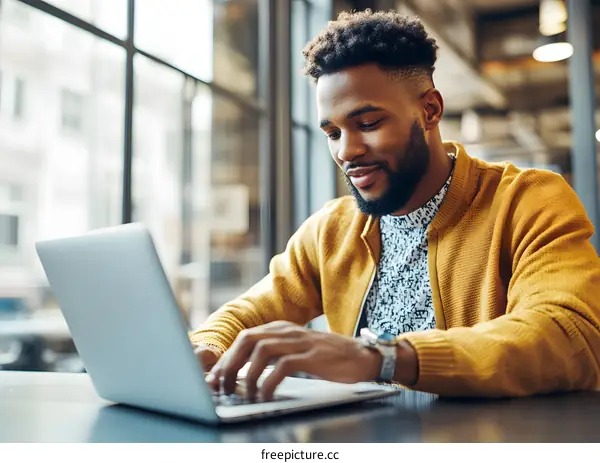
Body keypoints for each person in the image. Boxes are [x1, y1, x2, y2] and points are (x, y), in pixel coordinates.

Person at [189, 9, 600, 401]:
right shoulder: (332, 230)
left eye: (368, 124)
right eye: (333, 132)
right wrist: (205, 349)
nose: (346, 151)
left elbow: (569, 334)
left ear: (430, 110)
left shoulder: (527, 201)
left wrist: (383, 358)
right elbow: (247, 313)